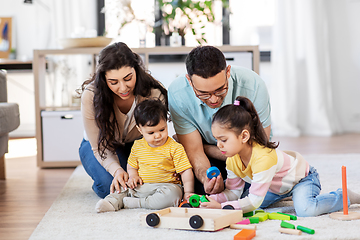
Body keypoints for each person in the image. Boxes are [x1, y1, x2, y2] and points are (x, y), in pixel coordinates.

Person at [200, 96, 360, 217]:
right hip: (275, 187)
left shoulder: (263, 158)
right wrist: (208, 199)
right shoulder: (231, 160)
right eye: (216, 140)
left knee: (306, 210)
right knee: (245, 201)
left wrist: (221, 207)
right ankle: (288, 195)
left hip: (302, 179)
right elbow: (233, 193)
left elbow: (253, 202)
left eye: (223, 140)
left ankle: (345, 196)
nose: (218, 145)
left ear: (244, 136)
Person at [168, 45, 271, 195]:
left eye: (220, 89)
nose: (214, 99)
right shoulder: (178, 94)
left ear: (228, 72)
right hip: (212, 159)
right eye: (203, 94)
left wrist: (205, 148)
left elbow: (257, 149)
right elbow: (195, 153)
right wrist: (206, 179)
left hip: (249, 158)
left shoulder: (254, 85)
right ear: (189, 81)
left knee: (259, 190)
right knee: (199, 188)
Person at [78, 42, 168, 198]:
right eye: (113, 82)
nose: (123, 88)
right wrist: (117, 170)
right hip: (101, 145)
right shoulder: (91, 95)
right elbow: (98, 146)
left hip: (138, 145)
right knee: (109, 186)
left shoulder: (153, 93)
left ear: (136, 70)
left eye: (128, 78)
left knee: (148, 182)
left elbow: (158, 134)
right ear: (103, 79)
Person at [95, 99, 194, 212]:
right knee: (122, 187)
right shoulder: (137, 145)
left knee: (173, 195)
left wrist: (188, 192)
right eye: (151, 133)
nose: (158, 136)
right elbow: (132, 166)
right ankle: (111, 202)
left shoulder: (175, 147)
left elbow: (185, 171)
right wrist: (133, 176)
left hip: (165, 187)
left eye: (162, 129)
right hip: (141, 186)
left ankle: (137, 203)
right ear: (140, 130)